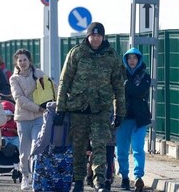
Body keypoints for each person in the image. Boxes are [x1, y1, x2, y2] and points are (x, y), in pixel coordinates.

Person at [55, 22, 125, 192]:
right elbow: (65, 82)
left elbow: (119, 86)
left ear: (103, 37)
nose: (95, 38)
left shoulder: (111, 56)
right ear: (87, 36)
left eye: (99, 35)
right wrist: (60, 108)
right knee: (78, 147)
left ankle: (99, 182)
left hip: (101, 109)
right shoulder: (77, 53)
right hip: (78, 108)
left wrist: (120, 112)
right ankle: (78, 181)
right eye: (93, 35)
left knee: (100, 146)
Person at [9, 48, 48, 190]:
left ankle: (36, 176)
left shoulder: (38, 73)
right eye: (20, 60)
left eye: (25, 59)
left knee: (36, 147)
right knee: (24, 151)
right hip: (23, 118)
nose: (23, 62)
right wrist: (38, 107)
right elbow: (19, 99)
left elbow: (51, 88)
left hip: (39, 117)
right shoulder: (14, 79)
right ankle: (25, 176)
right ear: (16, 63)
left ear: (30, 60)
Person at [116, 47, 151, 192]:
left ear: (139, 60)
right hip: (123, 117)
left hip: (139, 118)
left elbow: (138, 91)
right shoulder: (119, 75)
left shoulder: (145, 76)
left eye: (135, 58)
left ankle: (138, 177)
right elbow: (118, 91)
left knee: (138, 149)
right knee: (122, 150)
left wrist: (126, 88)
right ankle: (124, 176)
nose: (132, 60)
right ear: (125, 60)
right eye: (129, 58)